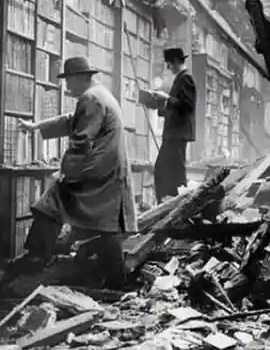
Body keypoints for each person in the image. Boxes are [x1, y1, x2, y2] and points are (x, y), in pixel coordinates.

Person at [8, 56, 138, 288]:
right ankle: (118, 281)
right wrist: (37, 126)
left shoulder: (91, 99)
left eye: (68, 81)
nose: (67, 87)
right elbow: (72, 120)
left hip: (98, 172)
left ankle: (35, 259)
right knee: (108, 226)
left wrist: (65, 172)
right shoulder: (99, 94)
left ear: (79, 78)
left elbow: (80, 140)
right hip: (110, 171)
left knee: (50, 203)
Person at [151, 47, 196, 201]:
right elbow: (178, 108)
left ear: (176, 62)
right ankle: (167, 202)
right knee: (167, 171)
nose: (168, 68)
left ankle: (176, 204)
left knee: (172, 172)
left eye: (169, 64)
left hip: (177, 134)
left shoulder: (185, 78)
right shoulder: (181, 78)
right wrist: (160, 106)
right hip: (174, 134)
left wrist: (167, 97)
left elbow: (188, 106)